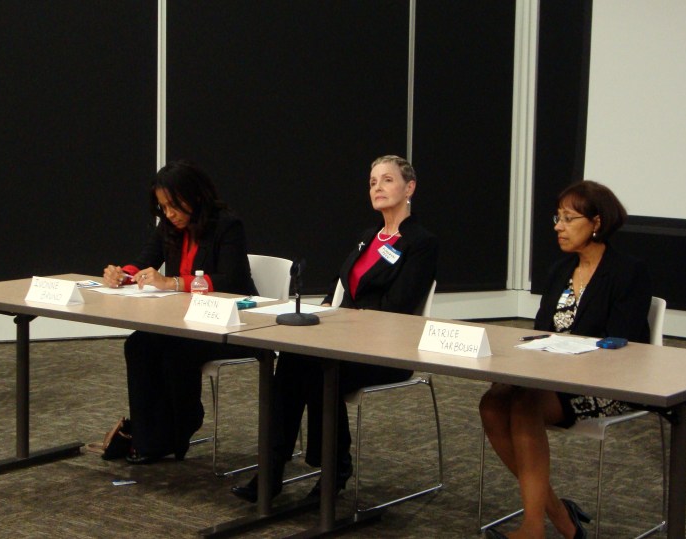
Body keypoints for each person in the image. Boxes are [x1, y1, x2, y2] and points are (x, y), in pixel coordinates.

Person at [232, 155, 438, 502]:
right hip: (345, 339)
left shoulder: (420, 242)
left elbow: (398, 306)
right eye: (373, 182)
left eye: (387, 180)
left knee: (318, 368)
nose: (378, 188)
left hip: (388, 350)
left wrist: (345, 321)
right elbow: (343, 283)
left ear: (409, 188)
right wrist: (328, 307)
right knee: (294, 360)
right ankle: (273, 467)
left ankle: (333, 468)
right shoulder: (369, 236)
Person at [479, 180, 651, 539]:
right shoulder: (560, 270)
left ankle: (532, 528)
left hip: (605, 383)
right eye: (557, 218)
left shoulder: (627, 271)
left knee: (524, 406)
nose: (558, 226)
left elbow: (626, 344)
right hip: (551, 376)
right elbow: (542, 331)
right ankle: (560, 516)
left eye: (568, 218)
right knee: (492, 403)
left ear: (597, 222)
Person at [103, 161, 258, 464]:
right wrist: (122, 274)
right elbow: (145, 259)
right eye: (163, 207)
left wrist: (172, 282)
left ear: (196, 196)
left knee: (175, 351)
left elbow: (232, 281)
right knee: (138, 344)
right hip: (185, 322)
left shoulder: (227, 225)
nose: (169, 213)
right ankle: (149, 440)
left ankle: (181, 426)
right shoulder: (169, 228)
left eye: (174, 205)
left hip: (231, 324)